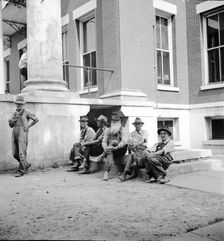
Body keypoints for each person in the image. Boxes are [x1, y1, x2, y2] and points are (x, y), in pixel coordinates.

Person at [8, 95, 39, 177]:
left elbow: (36, 119)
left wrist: (28, 126)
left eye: (21, 104)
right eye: (18, 104)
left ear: (23, 104)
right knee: (15, 153)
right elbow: (11, 125)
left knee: (22, 154)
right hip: (14, 133)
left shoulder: (26, 112)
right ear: (15, 104)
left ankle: (22, 171)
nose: (19, 105)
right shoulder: (14, 113)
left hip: (22, 134)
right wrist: (11, 121)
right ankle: (26, 164)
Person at [119, 117, 148, 181]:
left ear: (141, 125)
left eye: (139, 124)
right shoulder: (131, 133)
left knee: (132, 153)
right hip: (134, 149)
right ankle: (133, 163)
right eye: (136, 124)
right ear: (134, 125)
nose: (137, 126)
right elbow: (129, 142)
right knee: (131, 148)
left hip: (142, 150)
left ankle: (125, 173)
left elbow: (143, 141)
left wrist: (135, 144)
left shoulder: (145, 132)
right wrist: (135, 144)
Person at [101, 112, 128, 181]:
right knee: (109, 150)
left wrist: (116, 147)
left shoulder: (123, 129)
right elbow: (104, 141)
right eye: (113, 121)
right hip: (111, 149)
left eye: (116, 120)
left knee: (115, 142)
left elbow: (124, 142)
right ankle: (107, 172)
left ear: (119, 121)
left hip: (120, 149)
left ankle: (103, 155)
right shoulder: (108, 130)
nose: (114, 122)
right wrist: (105, 148)